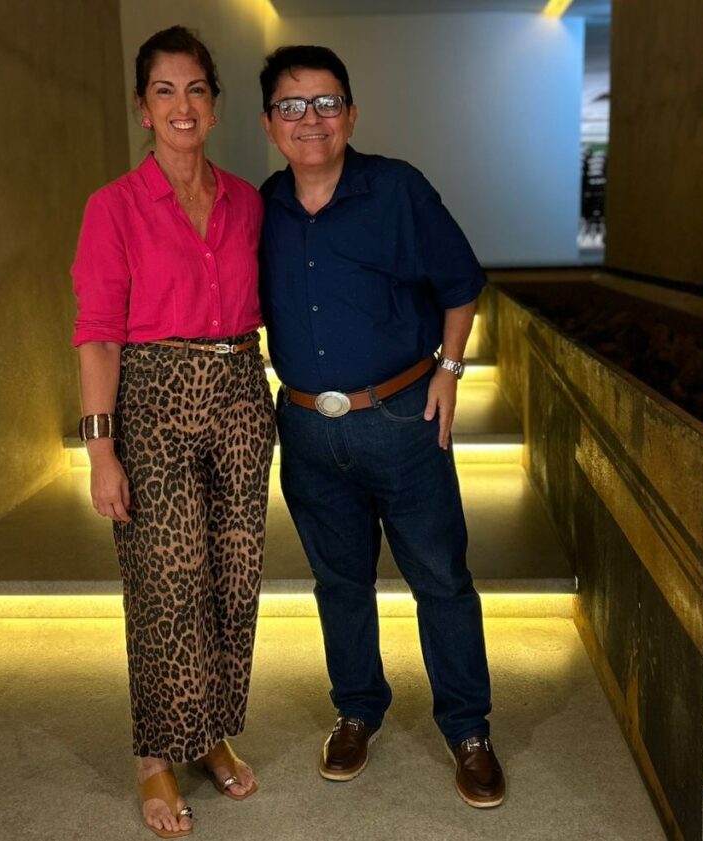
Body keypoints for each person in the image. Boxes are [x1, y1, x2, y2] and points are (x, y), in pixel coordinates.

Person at [257, 45, 506, 808]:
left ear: (352, 114)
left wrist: (450, 369)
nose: (311, 119)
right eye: (292, 105)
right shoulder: (261, 207)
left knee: (441, 578)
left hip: (402, 418)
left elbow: (461, 283)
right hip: (307, 429)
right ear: (270, 123)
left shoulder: (398, 189)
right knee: (339, 582)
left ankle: (468, 730)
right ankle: (358, 709)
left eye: (326, 102)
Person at [71, 26, 274, 839]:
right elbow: (97, 334)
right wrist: (100, 448)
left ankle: (209, 731)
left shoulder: (247, 203)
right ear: (143, 108)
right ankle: (156, 752)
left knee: (233, 577)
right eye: (165, 91)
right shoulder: (114, 207)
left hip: (239, 395)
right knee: (166, 584)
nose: (182, 105)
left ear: (214, 105)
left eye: (195, 89)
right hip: (153, 402)